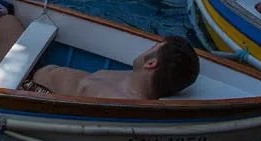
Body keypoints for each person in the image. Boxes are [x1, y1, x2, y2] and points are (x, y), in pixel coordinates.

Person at [30, 35, 200, 98]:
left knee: (8, 21)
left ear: (151, 63)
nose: (147, 48)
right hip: (34, 77)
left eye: (153, 46)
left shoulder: (120, 101)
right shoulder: (132, 78)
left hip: (29, 90)